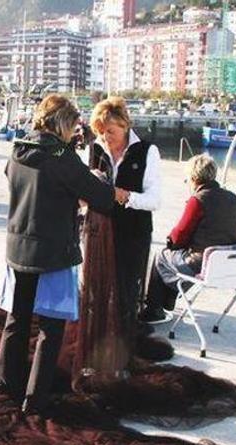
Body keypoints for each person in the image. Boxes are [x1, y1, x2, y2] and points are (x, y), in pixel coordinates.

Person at [0, 94, 121, 414]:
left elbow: (26, 186)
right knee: (51, 329)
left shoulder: (18, 151)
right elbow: (101, 198)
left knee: (17, 320)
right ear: (63, 124)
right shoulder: (62, 158)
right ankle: (35, 400)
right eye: (74, 125)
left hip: (18, 247)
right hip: (53, 252)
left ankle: (5, 384)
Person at [88, 96, 162, 336]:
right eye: (100, 132)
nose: (105, 138)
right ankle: (98, 337)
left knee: (127, 290)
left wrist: (126, 196)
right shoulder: (94, 148)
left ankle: (123, 341)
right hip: (98, 230)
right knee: (96, 288)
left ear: (124, 125)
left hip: (133, 232)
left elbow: (155, 200)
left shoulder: (147, 151)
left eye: (110, 131)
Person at [141, 154, 236, 323]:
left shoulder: (198, 200)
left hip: (202, 264)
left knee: (162, 255)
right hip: (228, 265)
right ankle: (167, 302)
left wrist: (171, 242)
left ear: (194, 177)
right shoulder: (232, 197)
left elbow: (179, 235)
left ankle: (154, 309)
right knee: (173, 256)